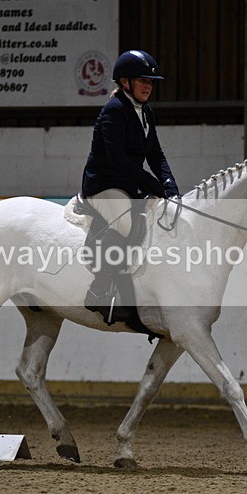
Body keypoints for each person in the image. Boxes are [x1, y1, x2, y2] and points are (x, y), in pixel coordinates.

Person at [81, 50, 180, 322]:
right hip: (104, 185)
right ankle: (99, 290)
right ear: (125, 82)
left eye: (151, 81)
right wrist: (151, 183)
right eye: (142, 80)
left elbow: (155, 154)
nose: (149, 86)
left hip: (129, 186)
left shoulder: (146, 111)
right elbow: (118, 160)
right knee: (126, 224)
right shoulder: (114, 111)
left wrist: (170, 187)